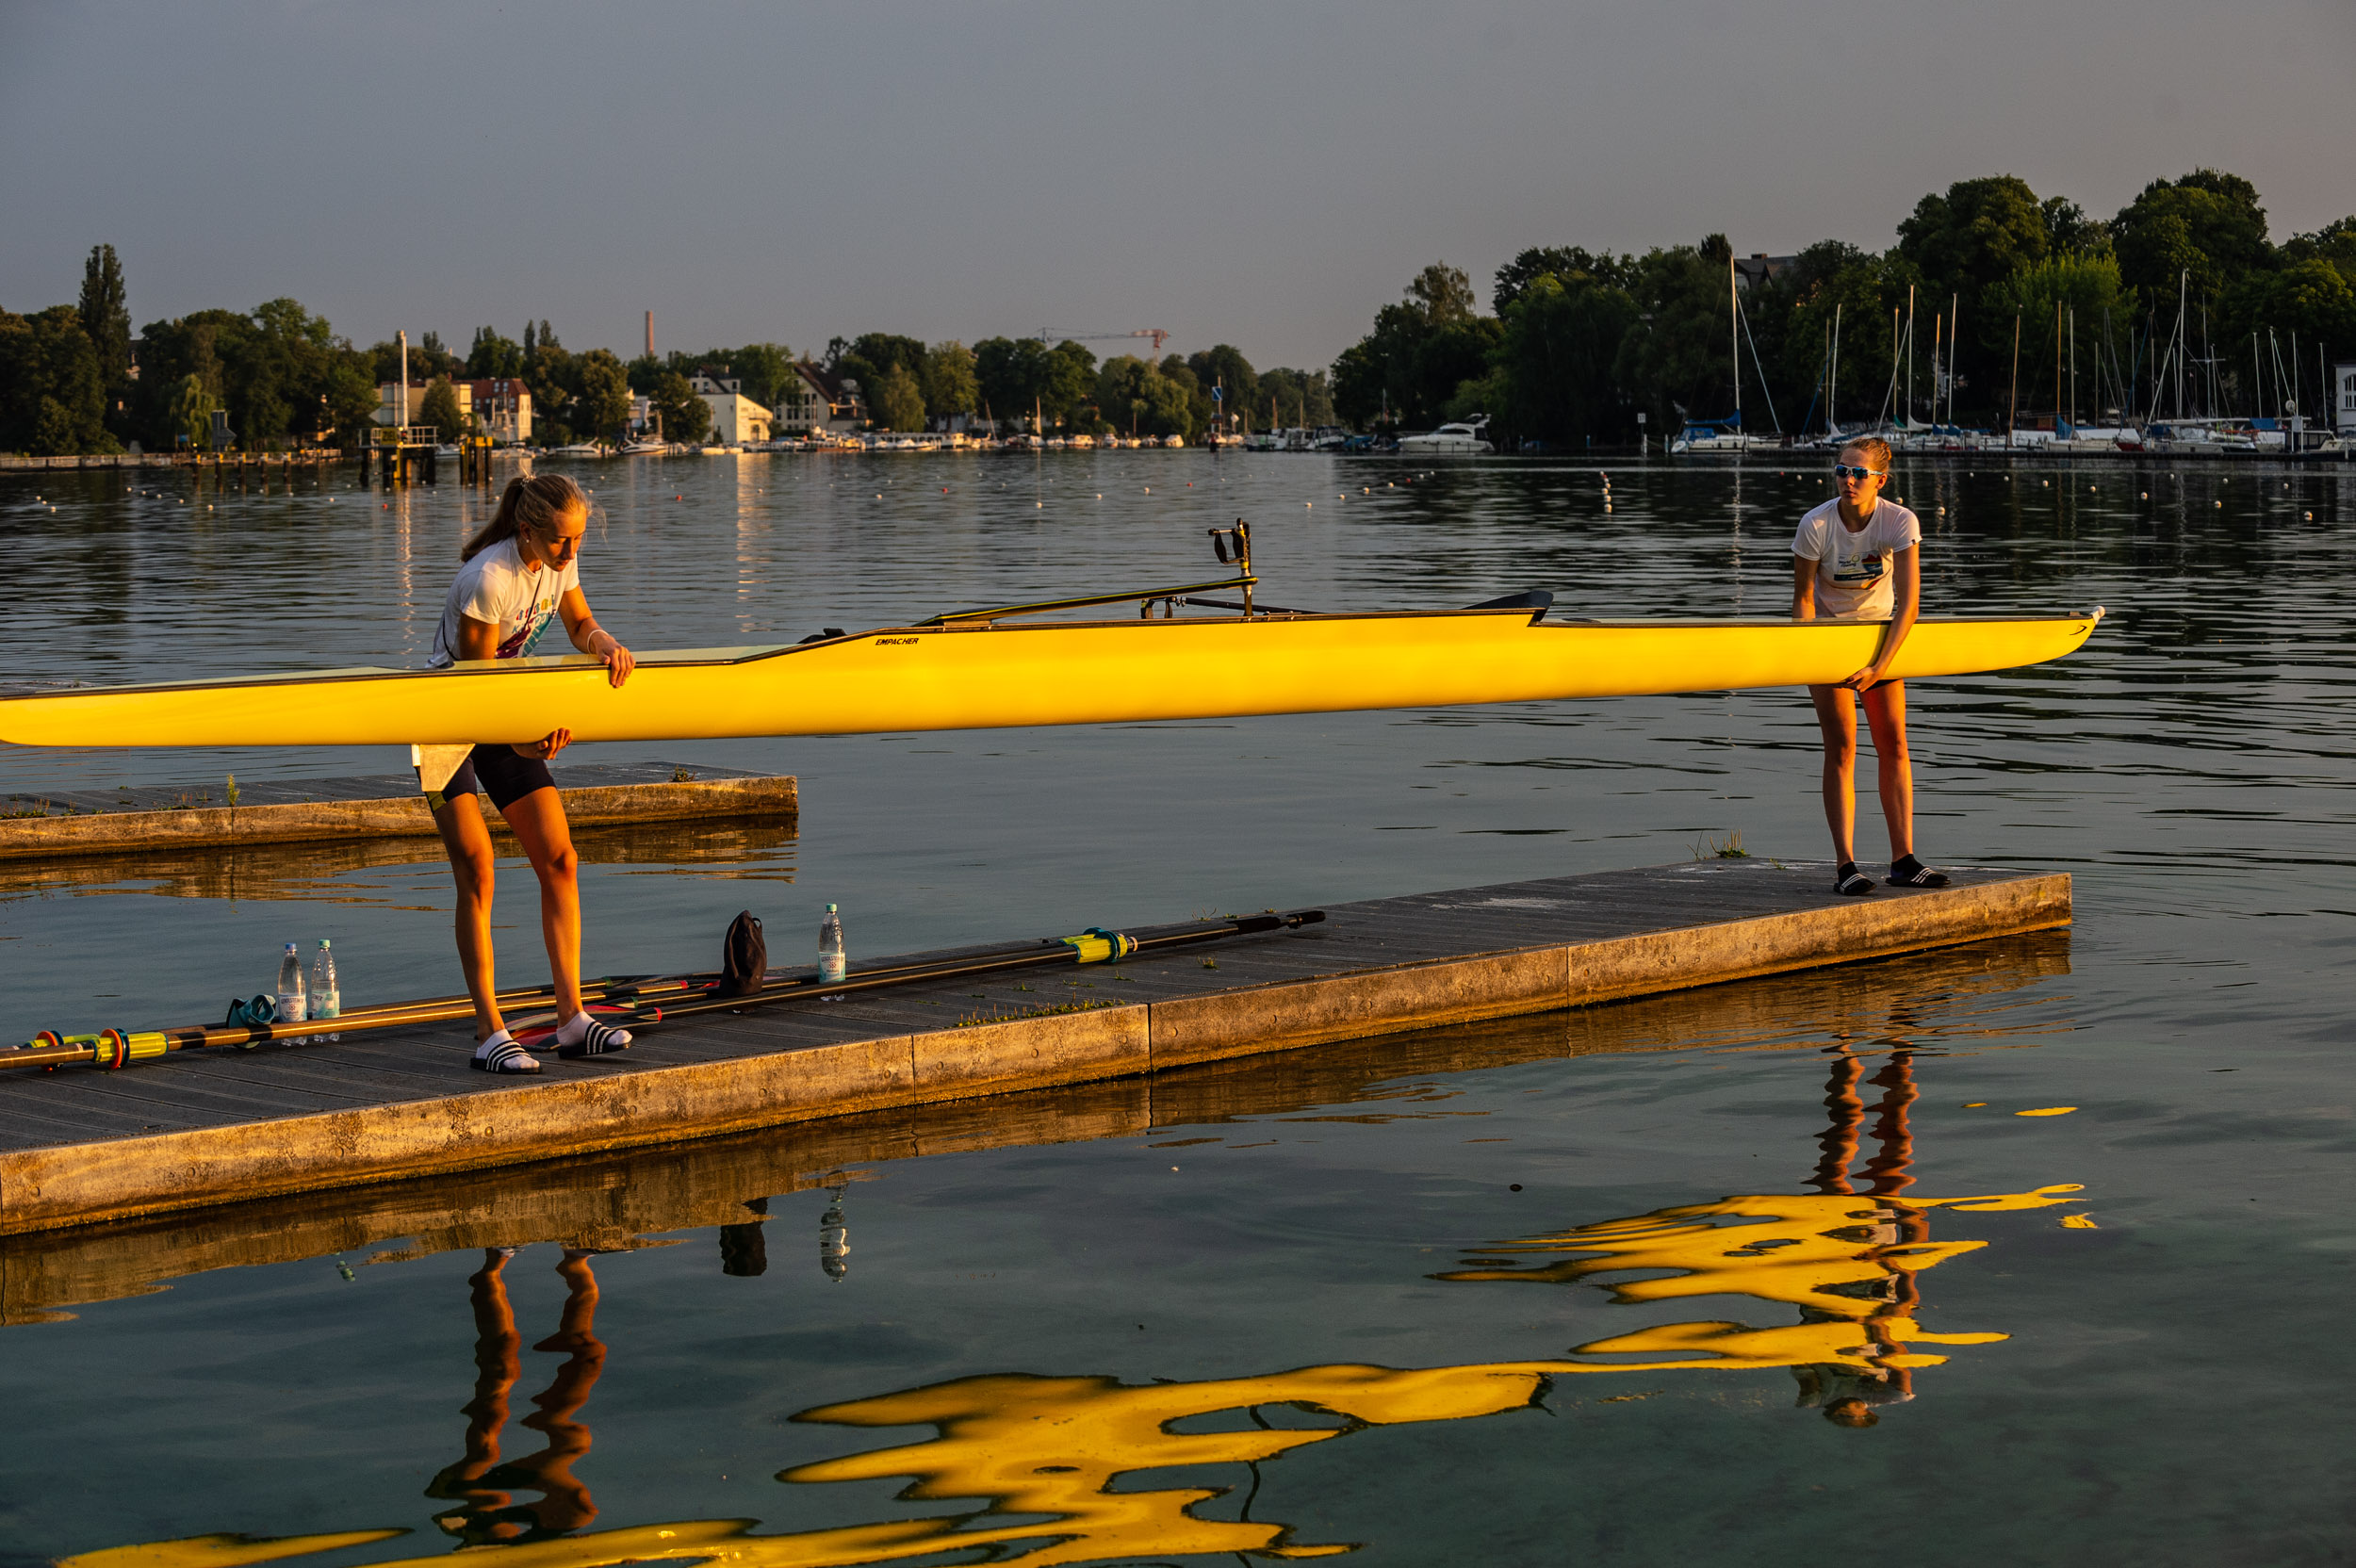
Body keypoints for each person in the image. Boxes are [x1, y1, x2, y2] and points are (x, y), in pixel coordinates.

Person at [424, 472, 636, 1073]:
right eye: (560, 543)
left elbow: (577, 624)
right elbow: (475, 689)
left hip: (503, 717)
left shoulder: (559, 562)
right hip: (447, 723)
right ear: (527, 531)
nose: (570, 555)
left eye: (579, 542)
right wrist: (523, 743)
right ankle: (490, 1032)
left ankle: (572, 1021)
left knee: (561, 859)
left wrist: (602, 644)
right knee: (478, 868)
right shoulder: (487, 580)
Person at [1791, 438, 1949, 897]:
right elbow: (1802, 601)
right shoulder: (1815, 524)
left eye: (1859, 473)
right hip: (1828, 640)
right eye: (1842, 471)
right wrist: (1810, 655)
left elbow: (1910, 604)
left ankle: (1904, 860)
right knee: (1841, 747)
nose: (1849, 480)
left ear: (1881, 480)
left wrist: (1880, 666)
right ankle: (1846, 867)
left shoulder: (1900, 521)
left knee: (1894, 743)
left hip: (1881, 639)